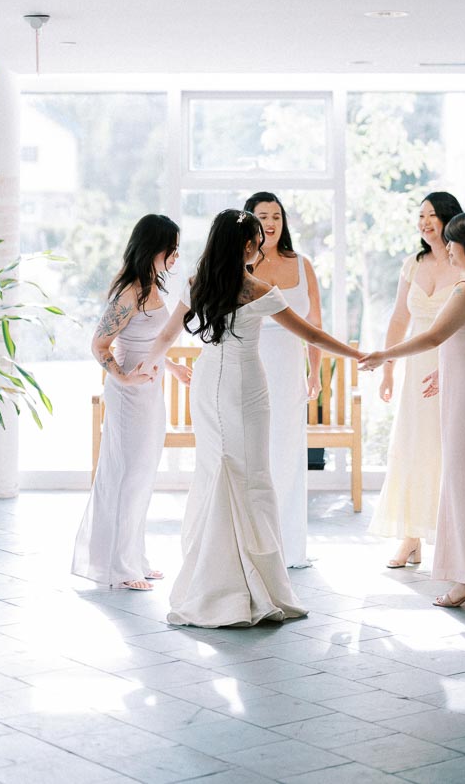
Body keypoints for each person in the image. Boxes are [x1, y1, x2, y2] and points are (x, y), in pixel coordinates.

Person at [140, 208, 360, 627]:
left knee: (217, 468)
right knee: (252, 475)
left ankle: (213, 573)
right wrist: (357, 354)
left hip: (208, 382)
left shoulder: (197, 284)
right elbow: (311, 333)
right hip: (246, 385)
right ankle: (249, 578)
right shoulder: (257, 289)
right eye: (257, 240)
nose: (261, 246)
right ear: (245, 245)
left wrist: (149, 365)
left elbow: (167, 334)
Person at [360, 211, 465, 610]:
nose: (447, 247)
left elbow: (433, 336)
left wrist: (384, 355)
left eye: (452, 241)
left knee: (464, 485)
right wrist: (445, 374)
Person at [72, 214, 192, 591]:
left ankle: (133, 556)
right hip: (128, 397)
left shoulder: (151, 287)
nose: (175, 256)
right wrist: (123, 376)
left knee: (142, 476)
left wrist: (170, 367)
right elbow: (99, 344)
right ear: (153, 247)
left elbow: (149, 341)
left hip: (149, 393)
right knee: (127, 475)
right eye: (171, 248)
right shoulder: (129, 292)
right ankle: (120, 567)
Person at [369, 191, 463, 567]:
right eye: (420, 215)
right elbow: (397, 319)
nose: (424, 222)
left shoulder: (462, 265)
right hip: (415, 366)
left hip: (453, 363)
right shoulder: (412, 263)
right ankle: (410, 537)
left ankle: (449, 535)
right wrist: (389, 368)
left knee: (445, 447)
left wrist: (450, 368)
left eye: (432, 215)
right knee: (412, 445)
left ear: (449, 218)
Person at [244, 191, 322, 568]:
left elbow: (315, 325)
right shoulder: (239, 265)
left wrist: (316, 372)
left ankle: (288, 546)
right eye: (262, 215)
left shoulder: (302, 264)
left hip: (290, 372)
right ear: (250, 221)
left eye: (276, 215)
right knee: (255, 455)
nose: (271, 222)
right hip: (251, 372)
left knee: (288, 455)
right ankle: (253, 542)